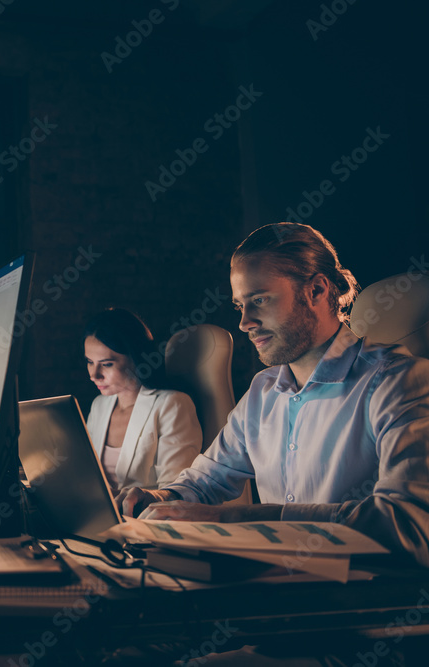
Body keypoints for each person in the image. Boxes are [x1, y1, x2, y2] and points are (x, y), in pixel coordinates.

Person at [118, 222, 429, 569]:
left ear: (317, 291)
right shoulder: (263, 391)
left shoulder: (398, 381)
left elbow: (409, 525)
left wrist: (237, 521)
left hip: (361, 606)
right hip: (280, 589)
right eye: (240, 306)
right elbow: (206, 479)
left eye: (260, 301)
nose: (245, 322)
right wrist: (162, 498)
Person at [83, 308, 201, 494]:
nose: (94, 375)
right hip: (100, 513)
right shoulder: (99, 405)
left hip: (147, 518)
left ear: (135, 358)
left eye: (106, 364)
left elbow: (174, 490)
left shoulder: (172, 404)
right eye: (90, 362)